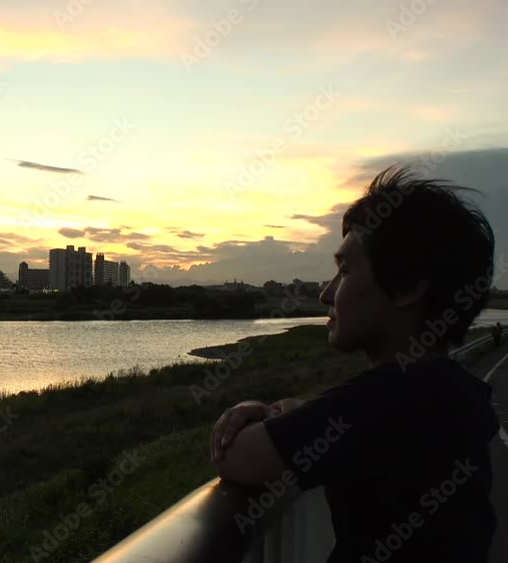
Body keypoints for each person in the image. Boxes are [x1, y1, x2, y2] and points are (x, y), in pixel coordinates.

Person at [209, 164, 498, 563]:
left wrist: (247, 410)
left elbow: (237, 455)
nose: (327, 294)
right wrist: (297, 415)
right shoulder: (451, 390)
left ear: (409, 287)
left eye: (344, 271)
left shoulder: (394, 398)